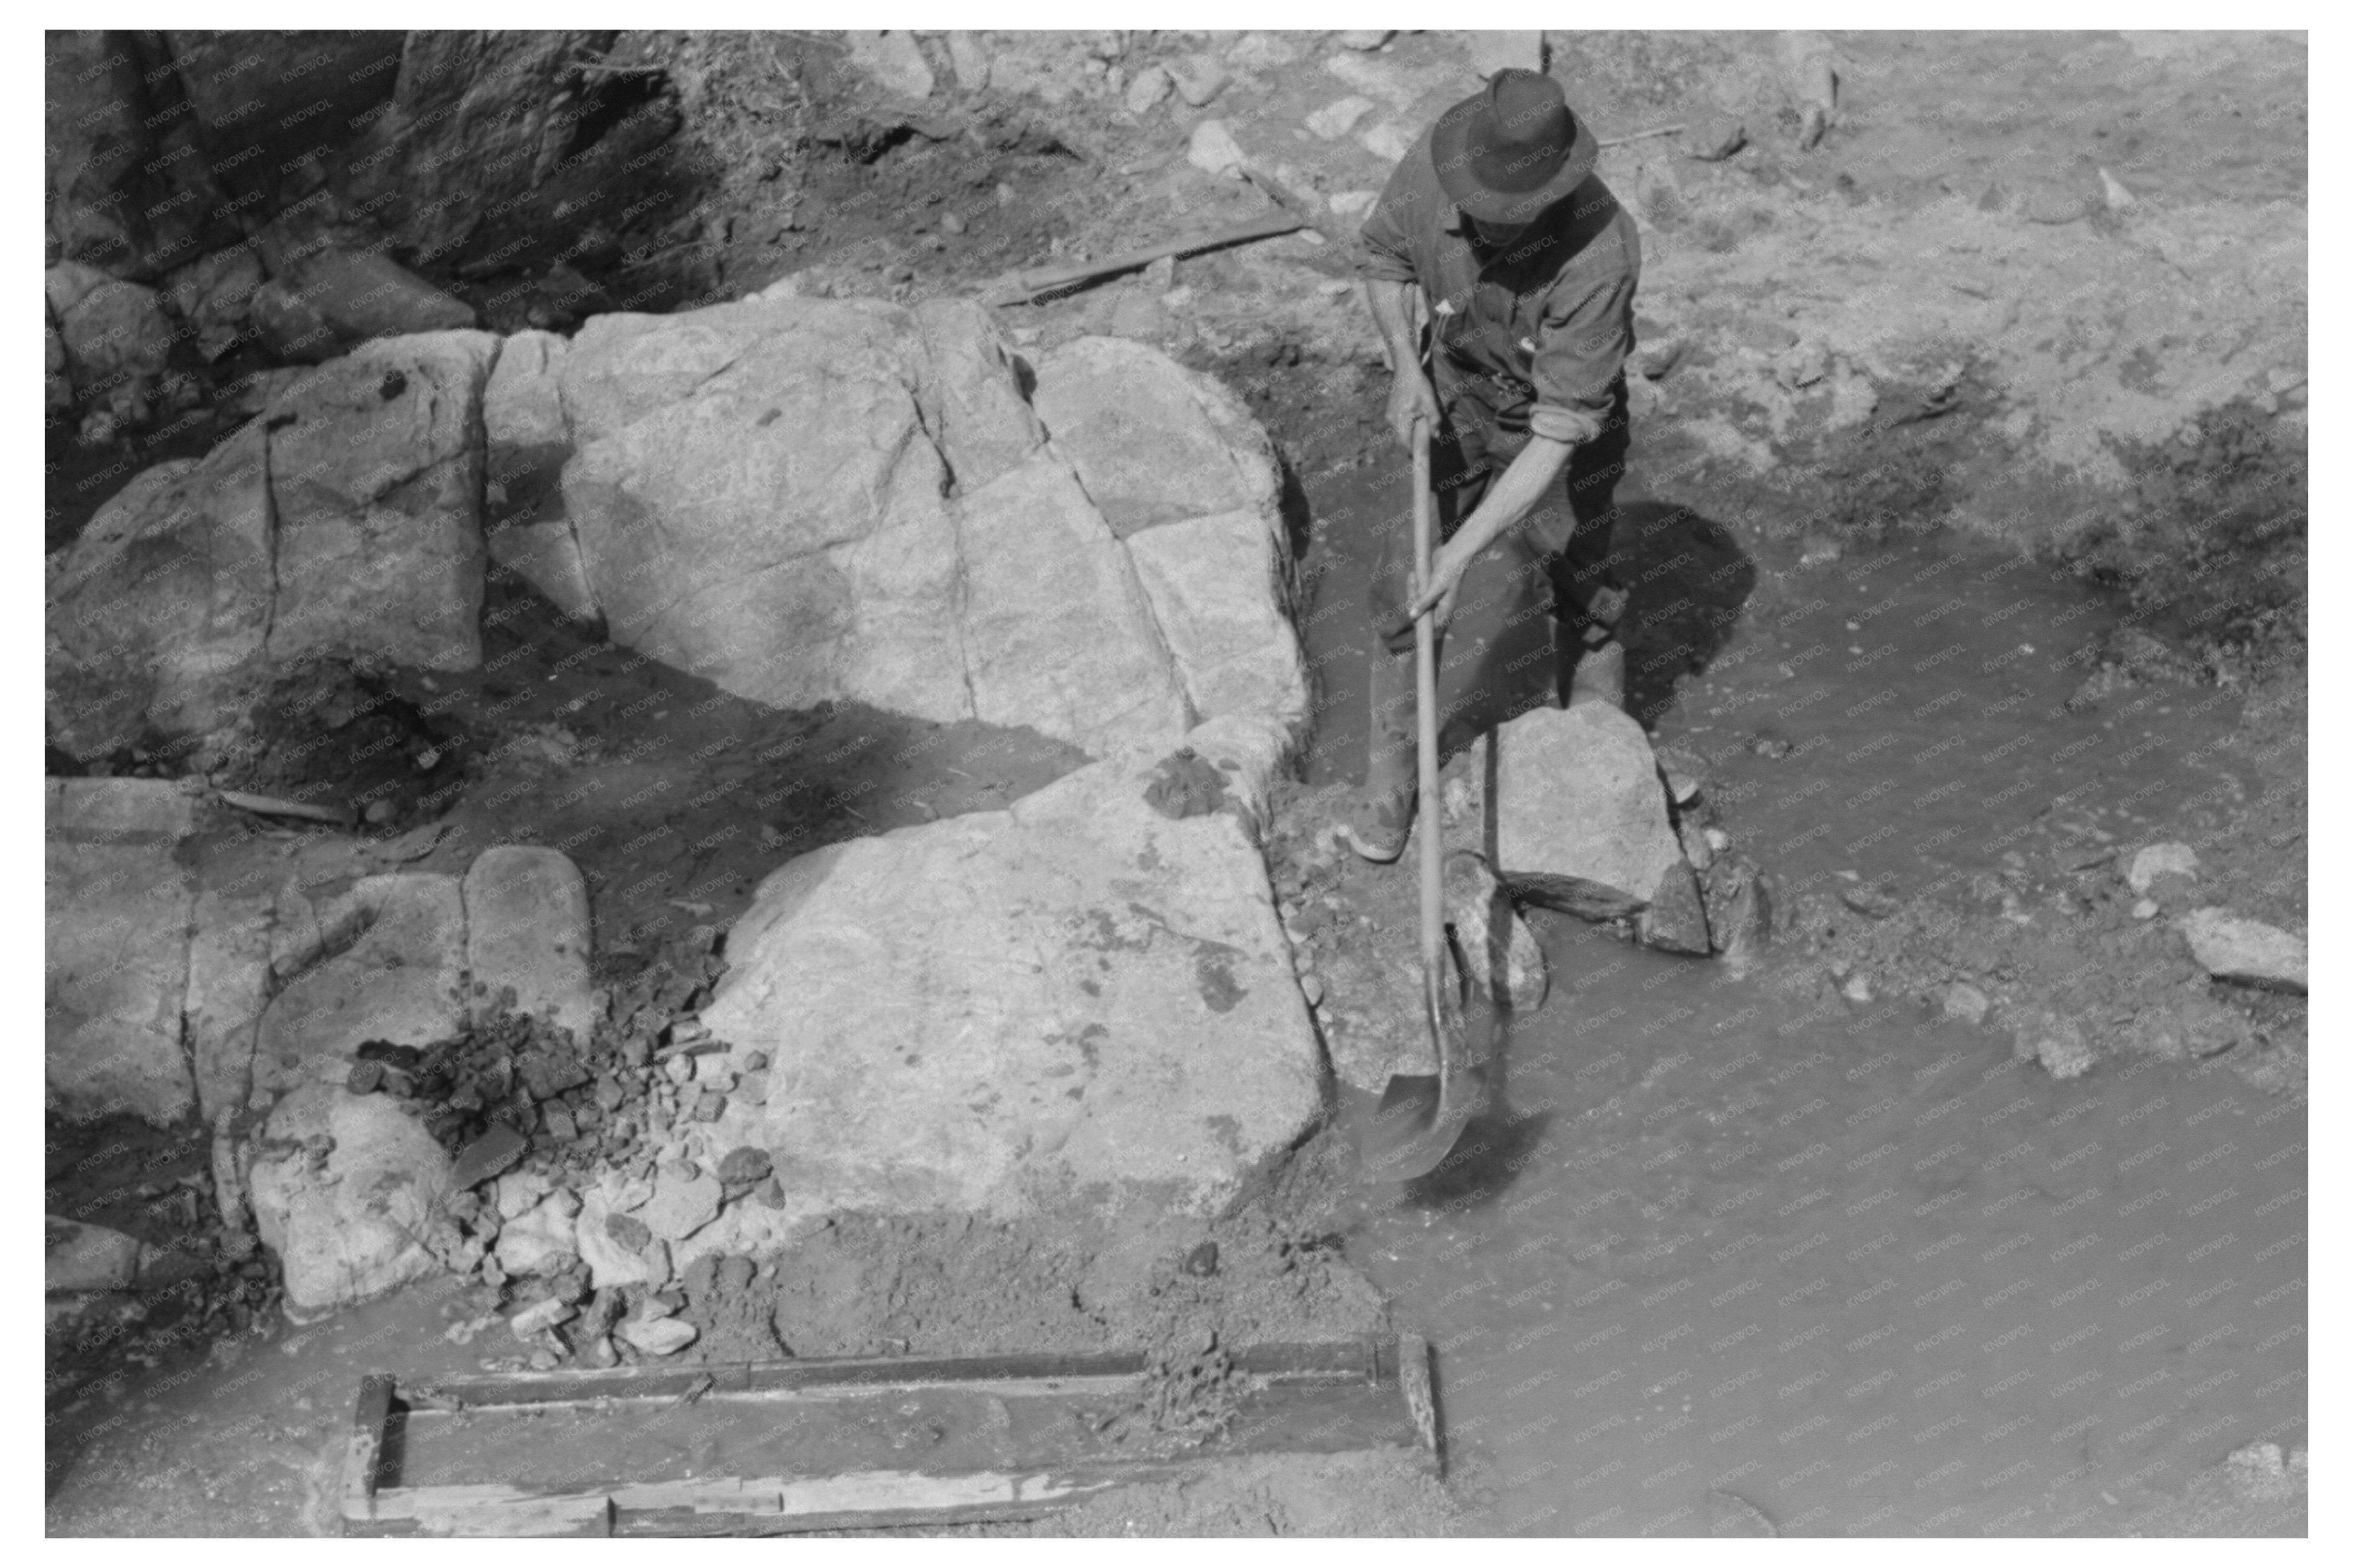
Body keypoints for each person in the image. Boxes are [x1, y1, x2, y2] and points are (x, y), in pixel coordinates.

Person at [1338, 68, 1642, 864]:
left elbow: (1557, 428)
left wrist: (1461, 552)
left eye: (1510, 218)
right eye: (1479, 212)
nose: (1486, 225)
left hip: (1554, 426)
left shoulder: (1599, 255)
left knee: (1584, 586)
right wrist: (1405, 363)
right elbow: (1381, 261)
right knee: (1405, 589)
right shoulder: (1442, 164)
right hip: (1450, 395)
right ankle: (1393, 783)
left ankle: (1597, 775)